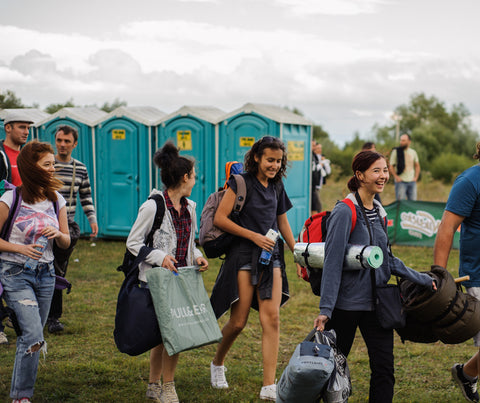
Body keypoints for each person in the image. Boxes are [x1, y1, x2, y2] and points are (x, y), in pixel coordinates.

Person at [314, 150, 435, 403]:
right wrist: (326, 308)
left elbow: (387, 259)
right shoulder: (345, 211)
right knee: (331, 369)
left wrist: (422, 278)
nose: (383, 176)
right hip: (345, 306)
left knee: (384, 369)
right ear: (359, 175)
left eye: (385, 170)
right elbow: (333, 262)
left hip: (378, 306)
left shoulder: (379, 210)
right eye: (376, 171)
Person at [209, 136, 297, 401]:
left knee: (272, 319)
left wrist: (298, 251)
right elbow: (220, 219)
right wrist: (253, 236)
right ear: (257, 157)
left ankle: (269, 386)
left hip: (272, 258)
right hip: (244, 256)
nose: (274, 165)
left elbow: (282, 223)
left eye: (279, 161)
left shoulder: (278, 186)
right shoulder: (240, 182)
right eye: (270, 159)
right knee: (238, 322)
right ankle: (217, 363)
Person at [126, 142, 208, 403]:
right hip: (154, 282)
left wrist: (197, 256)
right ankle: (155, 384)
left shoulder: (191, 207)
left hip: (181, 280)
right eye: (194, 175)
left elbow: (189, 242)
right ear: (185, 177)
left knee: (174, 335)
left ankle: (167, 386)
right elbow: (133, 242)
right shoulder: (153, 206)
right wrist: (160, 258)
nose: (195, 180)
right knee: (161, 336)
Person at [0, 141, 70, 403]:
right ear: (32, 167)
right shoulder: (11, 198)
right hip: (15, 273)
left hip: (46, 275)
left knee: (34, 337)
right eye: (47, 164)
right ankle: (21, 397)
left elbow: (65, 242)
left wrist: (59, 234)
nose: (53, 168)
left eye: (53, 164)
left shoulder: (56, 199)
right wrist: (19, 248)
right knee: (31, 335)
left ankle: (20, 393)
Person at [434, 142, 480, 403]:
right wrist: (439, 274)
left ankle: (467, 373)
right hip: (478, 273)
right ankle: (467, 373)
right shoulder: (470, 180)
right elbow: (447, 227)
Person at [46, 125, 98, 333]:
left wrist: (92, 219)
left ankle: (53, 318)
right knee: (37, 269)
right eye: (59, 140)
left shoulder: (80, 168)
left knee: (58, 270)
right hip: (42, 225)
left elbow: (85, 195)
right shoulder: (47, 165)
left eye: (67, 141)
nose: (62, 145)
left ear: (75, 144)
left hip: (65, 227)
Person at [0, 111, 33, 344]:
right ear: (8, 128)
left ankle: (19, 316)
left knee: (15, 272)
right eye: (21, 127)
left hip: (21, 224)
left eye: (28, 128)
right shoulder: (1, 155)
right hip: (2, 220)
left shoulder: (26, 156)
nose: (26, 131)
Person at [389, 133, 420, 200]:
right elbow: (391, 166)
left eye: (403, 140)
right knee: (400, 202)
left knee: (413, 203)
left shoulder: (413, 152)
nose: (401, 142)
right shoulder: (396, 151)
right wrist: (396, 177)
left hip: (412, 181)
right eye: (401, 140)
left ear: (409, 141)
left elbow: (417, 165)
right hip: (401, 181)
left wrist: (416, 177)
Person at [311, 142, 331, 215]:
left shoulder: (321, 157)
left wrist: (324, 163)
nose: (319, 150)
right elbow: (314, 169)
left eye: (320, 148)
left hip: (319, 185)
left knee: (316, 206)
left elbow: (328, 171)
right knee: (317, 206)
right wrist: (320, 164)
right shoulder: (312, 157)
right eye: (318, 148)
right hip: (314, 185)